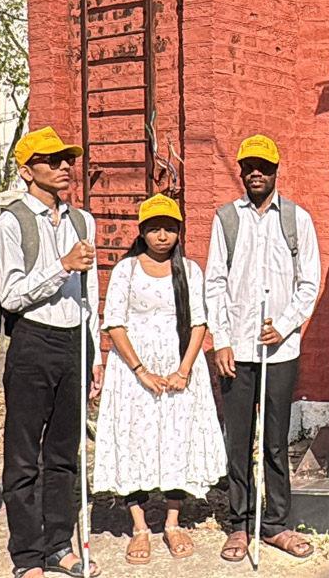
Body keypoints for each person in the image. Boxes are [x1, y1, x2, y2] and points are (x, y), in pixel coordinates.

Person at [202, 134, 323, 562]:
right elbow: (214, 282)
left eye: (263, 167)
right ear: (241, 171)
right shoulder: (226, 219)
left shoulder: (296, 219)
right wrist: (221, 340)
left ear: (275, 171)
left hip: (280, 351)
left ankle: (275, 524)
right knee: (239, 440)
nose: (256, 173)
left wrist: (287, 324)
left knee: (275, 441)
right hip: (237, 349)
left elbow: (310, 282)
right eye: (249, 166)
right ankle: (239, 523)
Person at [0, 127, 97, 578]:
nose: (64, 167)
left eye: (67, 159)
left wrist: (95, 352)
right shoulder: (10, 223)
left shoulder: (82, 220)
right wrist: (61, 265)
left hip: (74, 339)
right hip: (31, 340)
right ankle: (27, 556)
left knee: (65, 452)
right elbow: (10, 296)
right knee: (23, 453)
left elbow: (89, 291)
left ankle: (58, 545)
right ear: (27, 170)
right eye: (52, 161)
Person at [93, 194, 224, 566]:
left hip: (179, 369)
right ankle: (138, 526)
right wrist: (140, 370)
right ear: (143, 232)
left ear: (179, 231)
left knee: (175, 439)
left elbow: (199, 322)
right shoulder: (127, 270)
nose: (162, 236)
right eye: (154, 229)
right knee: (134, 440)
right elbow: (114, 323)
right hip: (134, 371)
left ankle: (172, 520)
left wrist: (183, 371)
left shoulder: (190, 271)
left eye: (169, 228)